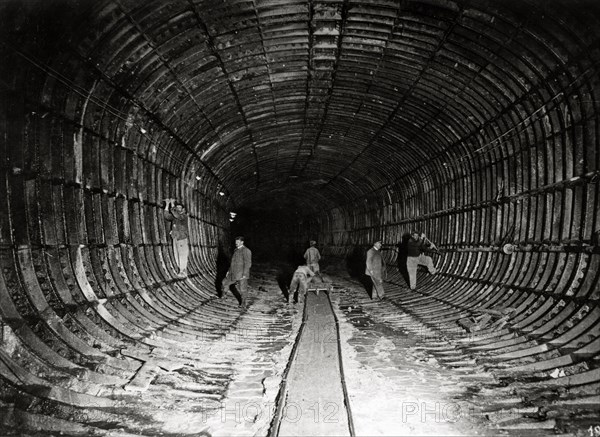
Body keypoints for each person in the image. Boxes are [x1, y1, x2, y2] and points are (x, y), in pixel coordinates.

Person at [221, 236, 252, 308]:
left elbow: (248, 263)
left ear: (242, 242)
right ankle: (224, 295)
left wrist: (244, 274)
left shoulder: (246, 251)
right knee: (225, 282)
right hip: (233, 272)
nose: (236, 243)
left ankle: (243, 303)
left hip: (241, 273)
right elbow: (232, 262)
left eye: (238, 242)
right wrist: (228, 271)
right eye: (236, 242)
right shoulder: (236, 250)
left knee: (242, 288)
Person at [164, 198, 189, 277]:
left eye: (179, 208)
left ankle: (183, 271)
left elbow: (176, 214)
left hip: (182, 238)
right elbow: (167, 216)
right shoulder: (175, 216)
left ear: (183, 210)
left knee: (182, 255)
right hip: (175, 238)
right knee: (176, 255)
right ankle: (181, 271)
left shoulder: (183, 216)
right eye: (176, 208)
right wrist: (168, 204)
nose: (177, 209)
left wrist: (173, 204)